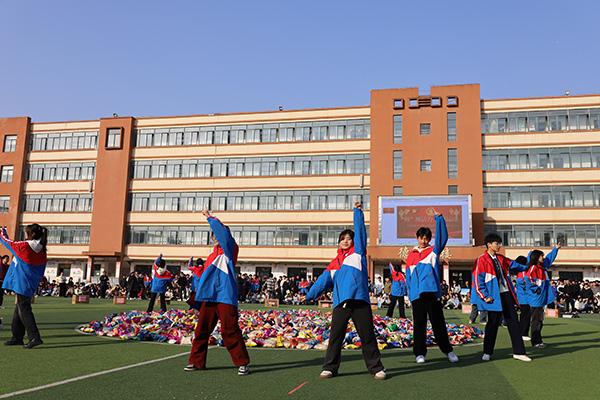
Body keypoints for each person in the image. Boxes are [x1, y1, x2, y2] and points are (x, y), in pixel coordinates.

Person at [306, 201, 386, 380]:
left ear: (353, 241)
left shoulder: (358, 253)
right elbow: (322, 281)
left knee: (367, 336)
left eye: (348, 238)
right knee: (335, 337)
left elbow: (361, 231)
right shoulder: (334, 263)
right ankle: (329, 368)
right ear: (339, 242)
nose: (345, 241)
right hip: (341, 304)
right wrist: (309, 295)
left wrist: (357, 212)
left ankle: (377, 368)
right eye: (342, 239)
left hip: (360, 302)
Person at [186, 207, 250, 376]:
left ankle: (242, 363)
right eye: (213, 235)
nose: (215, 237)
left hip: (225, 296)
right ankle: (196, 362)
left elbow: (223, 235)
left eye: (217, 234)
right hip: (209, 297)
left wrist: (209, 217)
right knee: (201, 330)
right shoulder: (211, 256)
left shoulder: (230, 249)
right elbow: (205, 276)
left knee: (229, 330)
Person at [403, 212, 459, 364]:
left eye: (427, 238)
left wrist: (439, 219)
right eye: (421, 238)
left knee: (438, 324)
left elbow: (443, 237)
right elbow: (408, 277)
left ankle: (448, 351)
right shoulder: (411, 255)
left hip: (432, 294)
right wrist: (410, 294)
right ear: (417, 238)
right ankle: (419, 354)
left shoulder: (434, 251)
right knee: (419, 325)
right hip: (416, 296)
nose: (424, 241)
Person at [472, 233, 530, 362]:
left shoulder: (502, 259)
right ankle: (487, 352)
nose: (499, 246)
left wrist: (528, 266)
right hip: (493, 297)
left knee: (513, 322)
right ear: (489, 244)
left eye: (499, 243)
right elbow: (477, 280)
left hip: (506, 293)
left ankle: (519, 352)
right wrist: (485, 296)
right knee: (492, 324)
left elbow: (515, 265)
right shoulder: (481, 260)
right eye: (497, 243)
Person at [1, 224, 48, 349]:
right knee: (19, 309)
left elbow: (7, 242)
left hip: (22, 281)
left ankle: (34, 337)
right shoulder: (41, 249)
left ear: (32, 234)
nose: (25, 234)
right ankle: (17, 337)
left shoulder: (25, 246)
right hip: (30, 281)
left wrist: (2, 231)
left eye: (27, 232)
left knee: (24, 309)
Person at [525, 245, 560, 348]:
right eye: (541, 256)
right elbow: (528, 279)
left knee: (539, 320)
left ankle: (538, 340)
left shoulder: (542, 267)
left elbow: (549, 258)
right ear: (536, 257)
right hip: (536, 299)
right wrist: (536, 289)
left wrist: (556, 249)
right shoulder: (534, 268)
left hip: (540, 298)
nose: (543, 257)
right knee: (536, 321)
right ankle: (535, 341)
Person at [514, 255, 531, 340]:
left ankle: (522, 333)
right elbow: (524, 283)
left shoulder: (520, 272)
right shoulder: (523, 272)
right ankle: (523, 333)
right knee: (525, 316)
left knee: (525, 315)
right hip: (525, 298)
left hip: (523, 297)